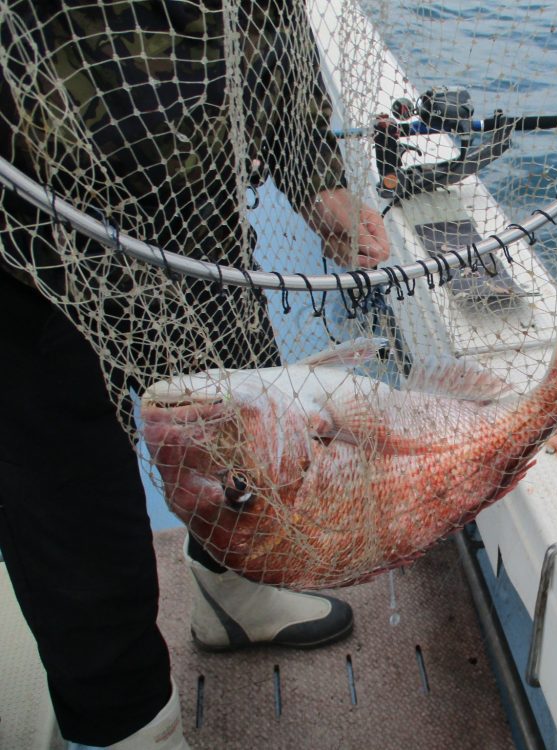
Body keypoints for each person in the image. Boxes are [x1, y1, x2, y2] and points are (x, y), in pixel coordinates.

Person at [0, 1, 389, 747]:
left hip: (190, 195)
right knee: (67, 489)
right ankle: (127, 726)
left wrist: (313, 171)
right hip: (27, 229)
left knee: (239, 424)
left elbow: (264, 13)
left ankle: (231, 590)